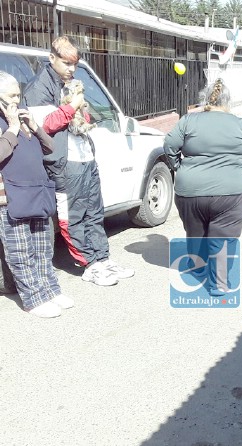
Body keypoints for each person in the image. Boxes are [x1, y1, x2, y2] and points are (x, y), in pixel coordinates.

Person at [24, 36, 134, 286]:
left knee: (94, 211)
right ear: (51, 58)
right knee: (73, 216)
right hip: (63, 162)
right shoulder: (38, 88)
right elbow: (44, 127)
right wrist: (73, 106)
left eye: (75, 64)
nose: (71, 69)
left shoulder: (72, 83)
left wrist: (81, 110)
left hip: (85, 156)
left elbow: (82, 116)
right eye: (66, 63)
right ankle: (89, 264)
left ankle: (103, 259)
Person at [164, 78, 242, 296]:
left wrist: (179, 167)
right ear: (228, 101)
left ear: (204, 100)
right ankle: (218, 283)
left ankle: (198, 269)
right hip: (234, 194)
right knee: (223, 237)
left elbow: (169, 145)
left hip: (191, 191)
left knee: (195, 231)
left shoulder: (189, 121)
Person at [0, 71, 72, 318]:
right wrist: (11, 128)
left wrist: (33, 126)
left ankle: (50, 290)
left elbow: (49, 147)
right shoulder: (8, 124)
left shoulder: (22, 119)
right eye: (11, 96)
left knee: (42, 247)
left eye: (18, 95)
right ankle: (33, 298)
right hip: (11, 198)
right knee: (21, 251)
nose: (16, 101)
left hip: (37, 192)